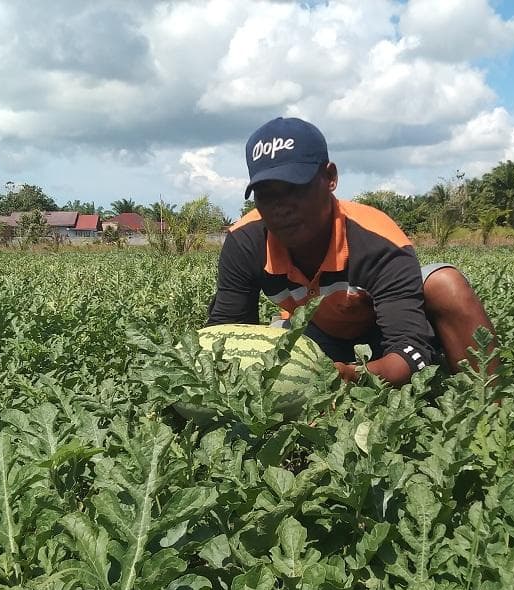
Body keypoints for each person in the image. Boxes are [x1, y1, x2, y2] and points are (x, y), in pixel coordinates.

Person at [206, 116, 498, 387]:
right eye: (267, 195)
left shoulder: (377, 242)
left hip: (383, 334)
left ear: (330, 177)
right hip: (317, 336)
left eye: (295, 188)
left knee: (445, 285)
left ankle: (491, 410)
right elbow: (225, 335)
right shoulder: (245, 241)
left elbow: (409, 349)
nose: (282, 207)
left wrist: (354, 376)